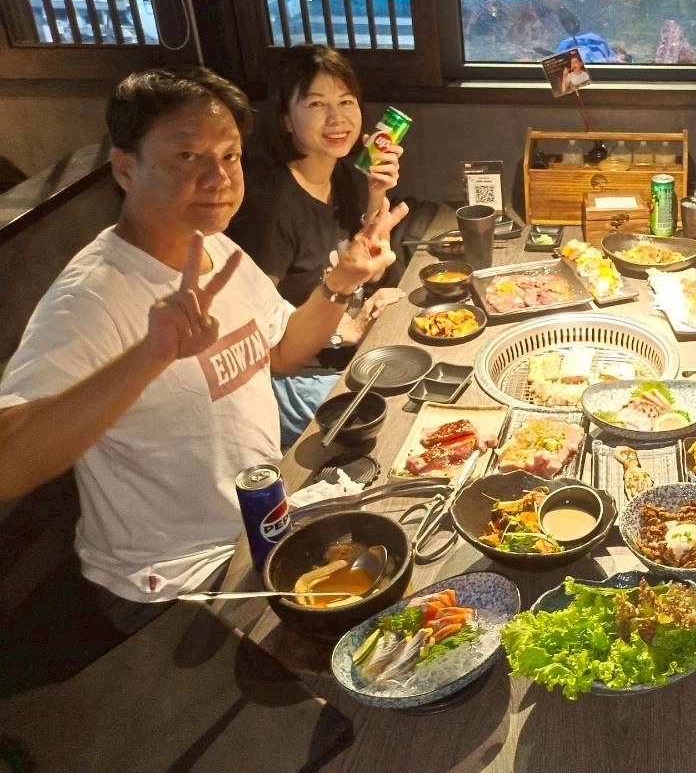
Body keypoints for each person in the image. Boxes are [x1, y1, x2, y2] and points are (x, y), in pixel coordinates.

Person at [0, 67, 405, 691]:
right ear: (125, 168)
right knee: (375, 687)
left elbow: (283, 353)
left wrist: (341, 282)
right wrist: (150, 354)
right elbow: (7, 462)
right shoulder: (92, 295)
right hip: (174, 585)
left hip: (261, 530)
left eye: (229, 155)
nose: (217, 178)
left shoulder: (217, 249)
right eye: (187, 156)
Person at [227, 44, 407, 445]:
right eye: (316, 104)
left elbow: (371, 271)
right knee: (400, 418)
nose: (336, 117)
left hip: (343, 353)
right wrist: (346, 330)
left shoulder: (341, 175)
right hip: (293, 379)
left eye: (345, 101)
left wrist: (376, 194)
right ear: (285, 120)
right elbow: (254, 337)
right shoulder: (271, 208)